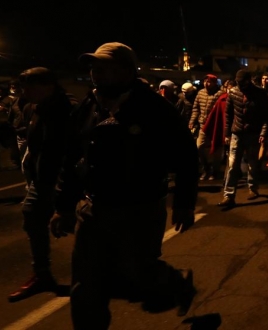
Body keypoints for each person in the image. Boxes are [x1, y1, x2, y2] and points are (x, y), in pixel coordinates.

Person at [50, 42, 198, 328]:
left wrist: (183, 203)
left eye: (105, 68)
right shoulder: (88, 107)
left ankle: (176, 285)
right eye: (94, 68)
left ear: (127, 71)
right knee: (85, 286)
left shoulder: (155, 108)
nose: (97, 74)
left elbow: (186, 158)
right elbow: (72, 160)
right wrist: (64, 206)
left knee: (139, 273)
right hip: (93, 210)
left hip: (140, 210)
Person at [8, 68, 76, 302]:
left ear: (49, 86)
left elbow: (71, 152)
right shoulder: (30, 108)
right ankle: (42, 274)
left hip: (66, 179)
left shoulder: (66, 110)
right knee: (32, 216)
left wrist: (63, 193)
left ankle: (108, 271)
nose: (25, 92)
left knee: (82, 225)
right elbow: (33, 144)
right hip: (41, 179)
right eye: (22, 86)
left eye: (30, 86)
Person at [218, 70, 268, 208]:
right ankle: (228, 195)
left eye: (242, 82)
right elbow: (228, 115)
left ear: (249, 81)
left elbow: (266, 117)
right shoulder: (233, 92)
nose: (240, 85)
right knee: (232, 165)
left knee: (253, 163)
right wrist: (227, 134)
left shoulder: (260, 94)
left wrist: (263, 134)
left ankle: (253, 189)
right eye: (238, 82)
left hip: (254, 133)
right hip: (237, 133)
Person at [190, 75, 224, 180]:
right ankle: (206, 169)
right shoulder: (200, 93)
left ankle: (215, 170)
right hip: (203, 125)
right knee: (199, 146)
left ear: (214, 83)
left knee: (217, 150)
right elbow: (196, 108)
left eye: (209, 82)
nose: (206, 83)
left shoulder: (220, 94)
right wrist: (192, 121)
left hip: (216, 126)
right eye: (205, 81)